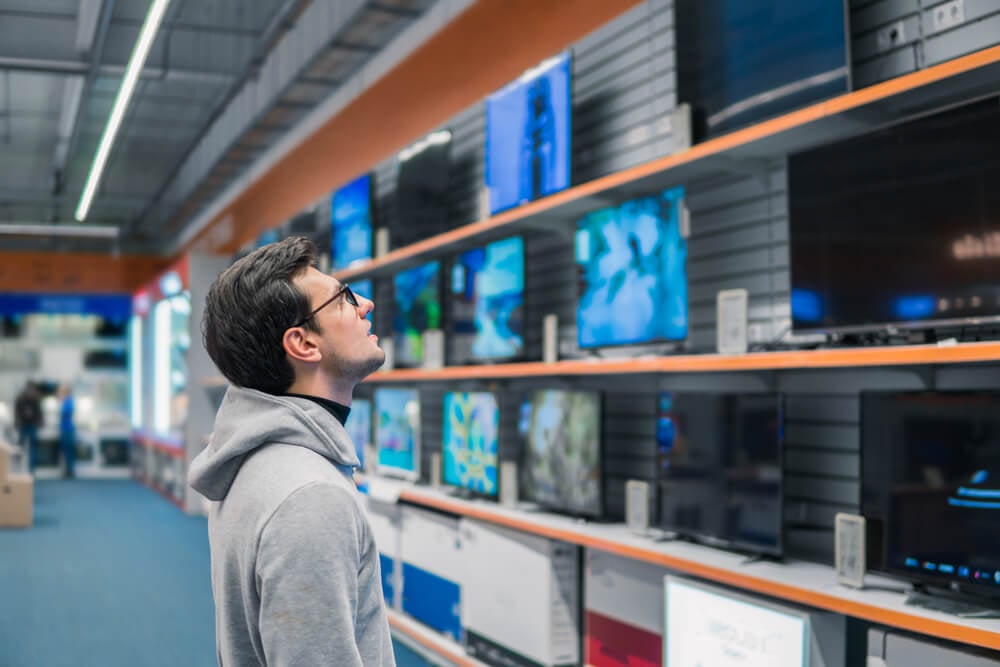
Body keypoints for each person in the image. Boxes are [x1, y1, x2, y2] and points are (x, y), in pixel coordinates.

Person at [189, 236, 394, 666]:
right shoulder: (309, 496)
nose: (367, 305)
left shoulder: (258, 462)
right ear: (303, 343)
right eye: (343, 299)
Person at [14, 381, 42, 472]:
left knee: (23, 447)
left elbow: (17, 412)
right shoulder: (33, 398)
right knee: (27, 447)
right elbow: (39, 412)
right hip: (28, 425)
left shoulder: (22, 397)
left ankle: (22, 468)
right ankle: (28, 469)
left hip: (26, 424)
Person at [57, 384, 76, 479]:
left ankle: (70, 471)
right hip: (66, 429)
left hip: (67, 429)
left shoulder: (68, 402)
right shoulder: (67, 401)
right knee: (66, 451)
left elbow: (64, 413)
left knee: (68, 451)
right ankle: (68, 470)